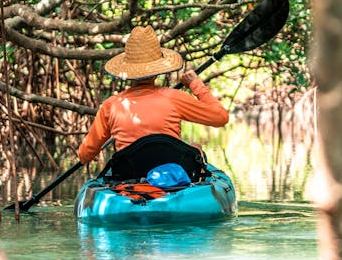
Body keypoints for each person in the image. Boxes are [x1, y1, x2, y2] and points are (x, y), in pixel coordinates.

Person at [78, 25, 229, 165]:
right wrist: (195, 84)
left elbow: (84, 156)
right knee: (196, 148)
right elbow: (221, 118)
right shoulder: (173, 98)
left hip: (128, 178)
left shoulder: (111, 105)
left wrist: (91, 154)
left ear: (127, 72)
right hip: (171, 176)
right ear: (157, 71)